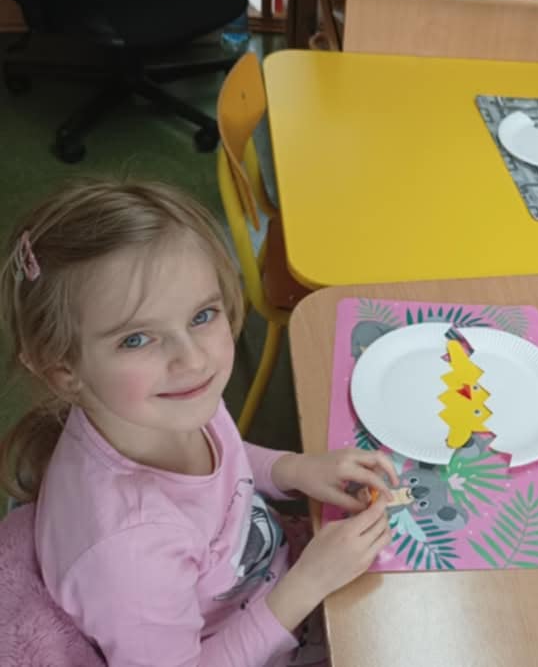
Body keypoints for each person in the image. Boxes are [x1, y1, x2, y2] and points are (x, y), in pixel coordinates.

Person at [0, 179, 398, 666]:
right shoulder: (128, 556)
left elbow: (225, 452)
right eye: (136, 339)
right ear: (63, 371)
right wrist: (309, 584)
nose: (192, 359)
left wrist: (293, 469)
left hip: (278, 579)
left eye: (202, 315)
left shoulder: (160, 407)